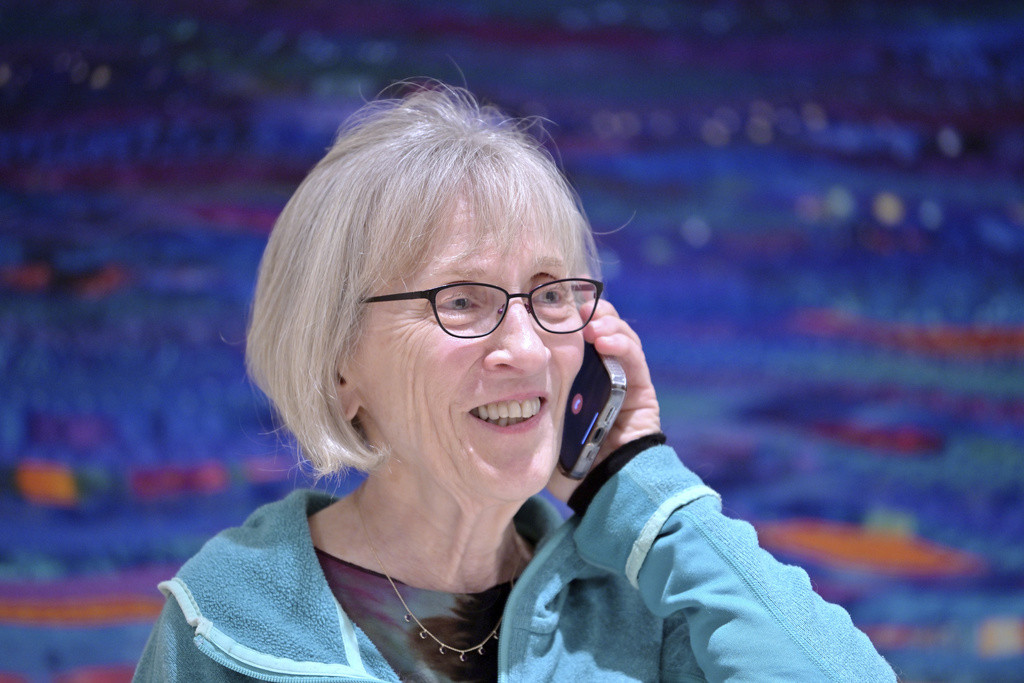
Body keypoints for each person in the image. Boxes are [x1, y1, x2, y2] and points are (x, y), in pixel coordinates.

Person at [134, 83, 896, 681]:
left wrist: (642, 488)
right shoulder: (225, 621)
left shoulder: (649, 601)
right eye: (462, 299)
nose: (528, 348)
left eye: (551, 294)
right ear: (340, 362)